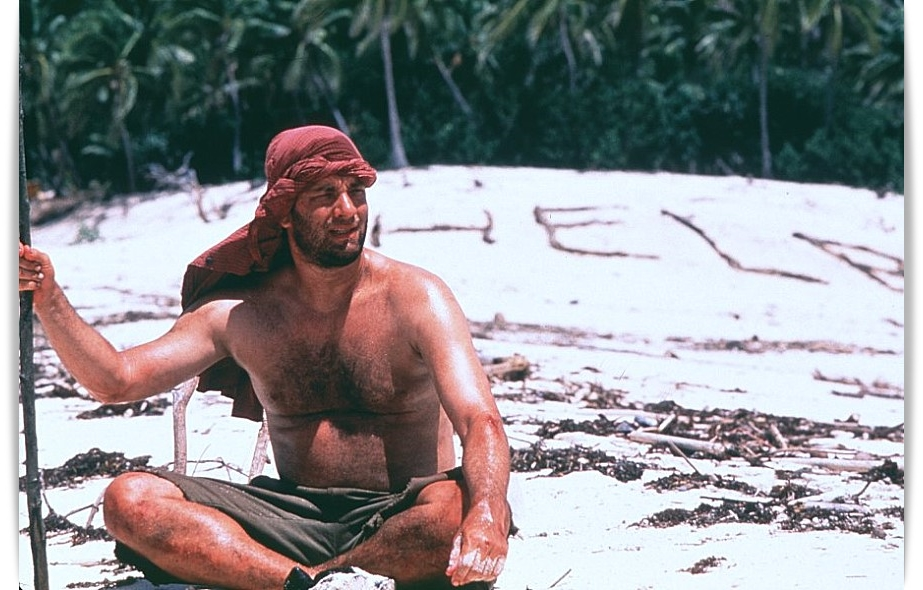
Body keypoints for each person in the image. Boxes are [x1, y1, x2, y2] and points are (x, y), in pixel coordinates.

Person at [18, 125, 513, 590]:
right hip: (290, 514)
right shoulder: (243, 314)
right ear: (284, 211)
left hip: (404, 511)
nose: (348, 210)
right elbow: (116, 380)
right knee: (130, 500)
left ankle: (296, 578)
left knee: (456, 512)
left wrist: (487, 515)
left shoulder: (418, 297)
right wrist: (48, 296)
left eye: (356, 192)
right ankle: (307, 581)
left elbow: (480, 420)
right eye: (324, 195)